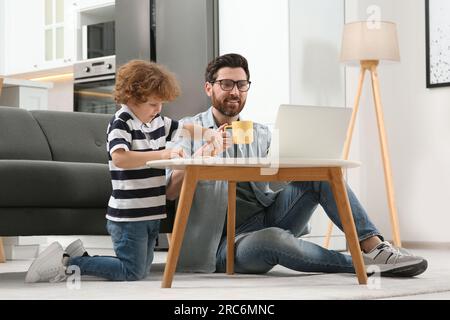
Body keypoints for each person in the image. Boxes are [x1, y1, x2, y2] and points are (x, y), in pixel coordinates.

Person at [164, 53, 428, 277]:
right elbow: (171, 191)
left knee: (322, 175)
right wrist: (203, 154)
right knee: (274, 240)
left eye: (241, 84)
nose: (234, 91)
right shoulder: (188, 130)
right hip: (222, 245)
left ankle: (373, 248)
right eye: (226, 84)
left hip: (268, 216)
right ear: (209, 88)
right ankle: (360, 266)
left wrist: (298, 156)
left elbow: (279, 181)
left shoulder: (260, 132)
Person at [25, 60, 230, 283]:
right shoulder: (121, 122)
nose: (158, 109)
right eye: (153, 104)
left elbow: (185, 128)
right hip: (129, 214)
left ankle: (78, 255)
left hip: (151, 212)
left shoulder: (157, 121)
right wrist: (161, 155)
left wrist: (209, 135)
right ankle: (68, 263)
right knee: (130, 271)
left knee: (140, 269)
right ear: (132, 99)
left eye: (161, 104)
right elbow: (120, 158)